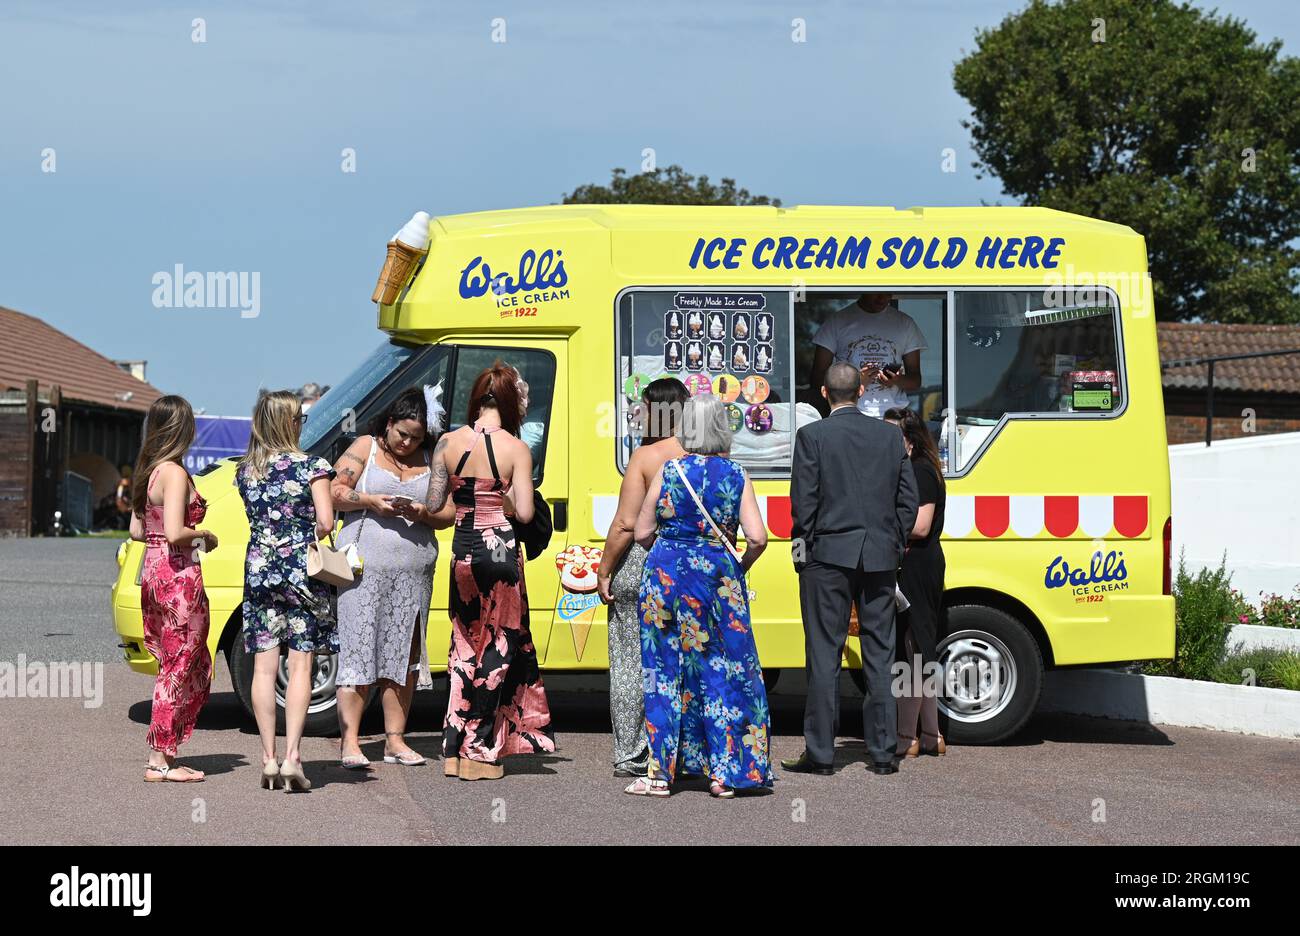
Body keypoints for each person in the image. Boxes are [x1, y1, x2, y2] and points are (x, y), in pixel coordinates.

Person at [630, 395, 773, 798]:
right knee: (722, 669)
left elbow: (641, 531)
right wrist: (737, 566)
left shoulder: (669, 470)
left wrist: (671, 554)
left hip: (665, 578)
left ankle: (661, 775)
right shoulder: (735, 473)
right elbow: (758, 537)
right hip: (717, 580)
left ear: (686, 427)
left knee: (664, 671)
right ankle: (724, 774)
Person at [782, 363, 918, 776]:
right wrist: (892, 542)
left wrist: (803, 549)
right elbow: (907, 500)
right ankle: (882, 752)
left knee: (824, 653)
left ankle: (821, 754)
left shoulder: (812, 436)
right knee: (879, 653)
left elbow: (804, 503)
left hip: (826, 556)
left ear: (824, 393)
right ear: (861, 391)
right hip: (879, 557)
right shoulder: (890, 436)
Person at [426, 362, 554, 780]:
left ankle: (451, 748)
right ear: (512, 401)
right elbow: (526, 511)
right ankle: (479, 750)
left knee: (464, 644)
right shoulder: (517, 448)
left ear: (477, 397)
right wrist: (501, 500)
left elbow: (433, 505)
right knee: (498, 646)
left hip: (462, 552)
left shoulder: (448, 441)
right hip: (500, 553)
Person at [332, 386, 453, 769]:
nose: (407, 442)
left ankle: (395, 741)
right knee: (358, 650)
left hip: (414, 574)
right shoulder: (365, 447)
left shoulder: (433, 457)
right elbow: (333, 491)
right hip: (363, 572)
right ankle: (350, 741)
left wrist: (422, 512)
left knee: (405, 656)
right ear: (388, 423)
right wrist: (369, 501)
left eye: (416, 437)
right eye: (402, 433)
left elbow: (448, 513)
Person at [235, 390, 337, 792]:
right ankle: (294, 756)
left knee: (263, 667)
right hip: (302, 571)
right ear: (291, 422)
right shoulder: (313, 467)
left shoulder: (245, 471)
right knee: (301, 665)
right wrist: (307, 529)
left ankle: (268, 758)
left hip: (260, 569)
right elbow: (326, 523)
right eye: (300, 418)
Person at [595, 377, 689, 777]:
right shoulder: (703, 454)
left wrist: (604, 570)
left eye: (644, 407)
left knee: (631, 661)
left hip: (641, 567)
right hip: (686, 569)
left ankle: (631, 752)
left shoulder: (646, 458)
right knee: (681, 659)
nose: (638, 414)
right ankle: (676, 748)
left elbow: (626, 524)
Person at [129, 395, 217, 782]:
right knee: (181, 665)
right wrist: (205, 535)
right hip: (179, 577)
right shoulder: (175, 473)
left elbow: (138, 530)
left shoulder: (147, 472)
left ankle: (163, 753)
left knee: (174, 663)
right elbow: (175, 532)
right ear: (184, 429)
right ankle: (160, 759)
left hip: (153, 573)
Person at [884, 407, 948, 758]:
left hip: (917, 565)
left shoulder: (920, 471)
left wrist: (881, 527)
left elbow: (920, 526)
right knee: (919, 649)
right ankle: (930, 734)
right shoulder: (922, 468)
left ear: (908, 441)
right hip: (918, 563)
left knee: (912, 650)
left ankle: (906, 734)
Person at [808, 293, 926, 418]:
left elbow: (915, 380)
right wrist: (855, 381)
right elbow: (817, 379)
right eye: (877, 292)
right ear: (864, 288)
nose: (882, 297)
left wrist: (896, 380)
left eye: (888, 292)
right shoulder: (837, 321)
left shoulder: (905, 323)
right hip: (849, 415)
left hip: (893, 417)